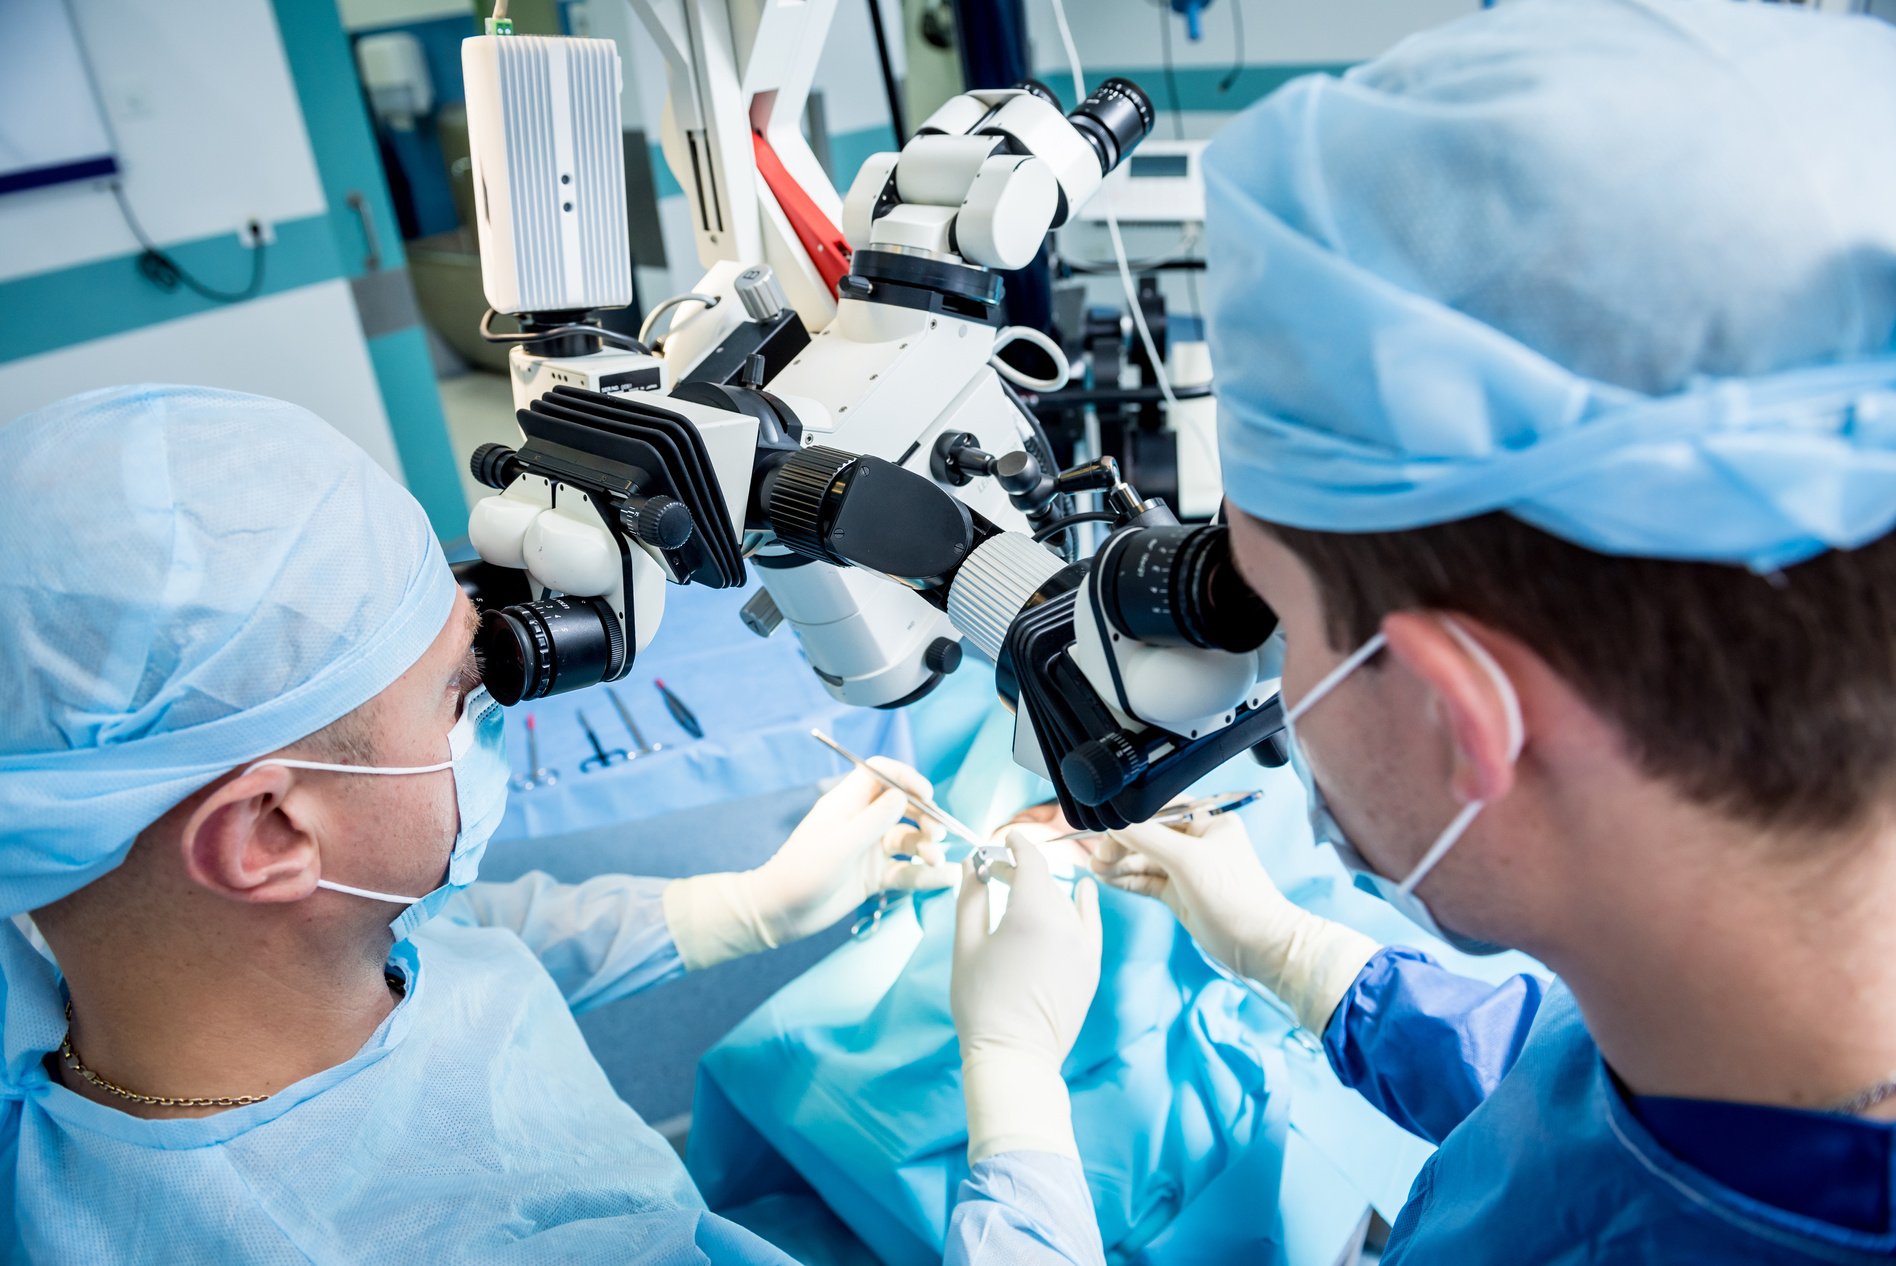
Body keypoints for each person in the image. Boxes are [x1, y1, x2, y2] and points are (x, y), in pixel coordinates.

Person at [946, 0, 1896, 1261]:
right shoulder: (1750, 1033)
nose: (1265, 673)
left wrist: (1013, 1112)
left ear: (1464, 716)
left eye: (1273, 615)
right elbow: (1585, 1119)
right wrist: (1312, 965)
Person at [0, 384, 961, 1263]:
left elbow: (455, 952)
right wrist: (1018, 1112)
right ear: (269, 837)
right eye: (463, 689)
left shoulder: (103, 965)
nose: (491, 713)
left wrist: (741, 908)